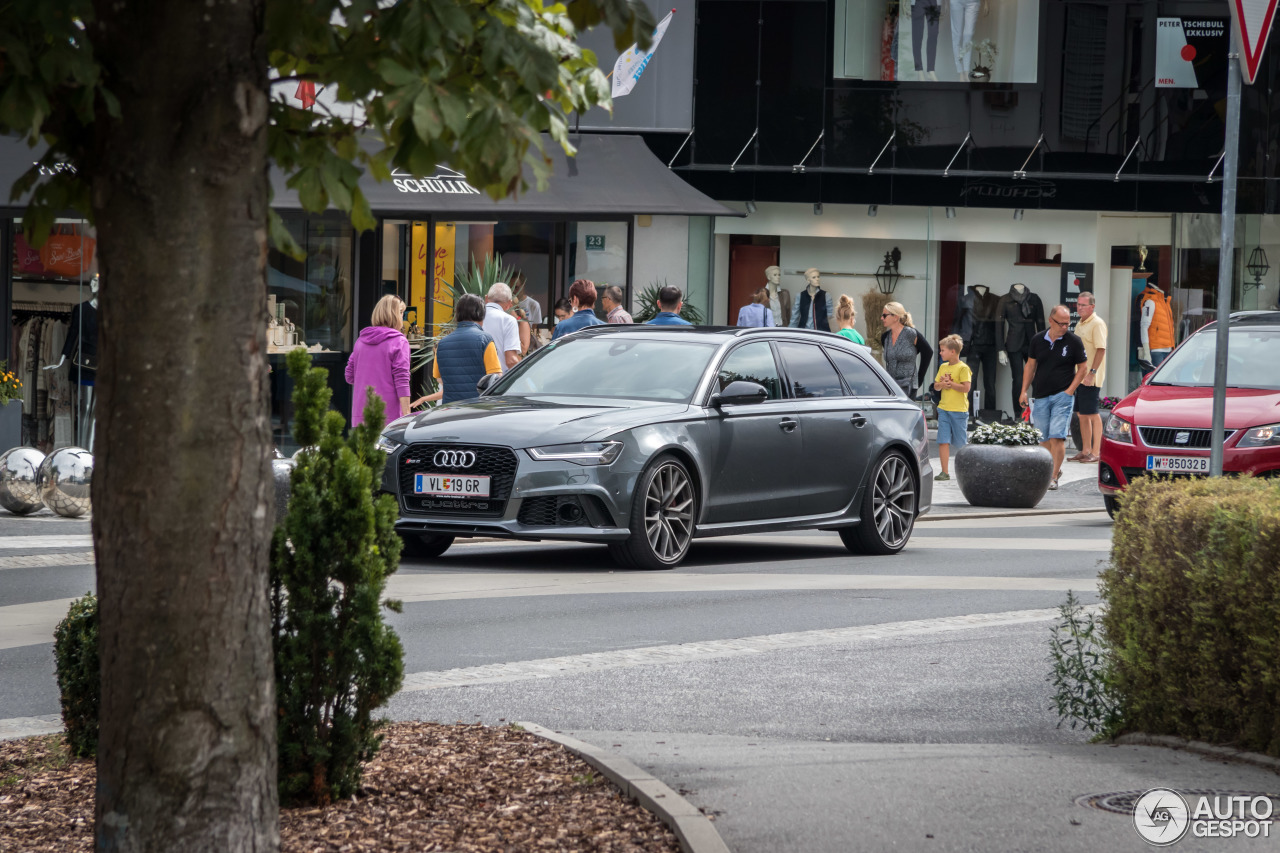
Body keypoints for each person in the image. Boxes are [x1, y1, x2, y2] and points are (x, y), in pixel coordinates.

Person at [1019, 304, 1089, 491]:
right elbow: (1030, 366)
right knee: (1043, 439)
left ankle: (1054, 475)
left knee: (1057, 437)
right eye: (1061, 323)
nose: (1065, 327)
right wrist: (1024, 390)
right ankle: (1046, 472)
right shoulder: (1037, 340)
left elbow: (1083, 367)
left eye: (1068, 323)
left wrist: (1070, 391)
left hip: (1062, 396)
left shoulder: (1073, 341)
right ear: (1051, 321)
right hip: (1041, 396)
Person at [344, 294, 411, 427]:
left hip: (361, 416)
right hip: (389, 418)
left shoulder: (360, 341)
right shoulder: (399, 341)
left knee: (363, 448)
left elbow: (349, 376)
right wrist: (407, 415)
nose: (402, 318)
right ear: (394, 314)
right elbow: (402, 382)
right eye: (401, 313)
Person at [432, 293, 503, 405]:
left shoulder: (441, 344)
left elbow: (439, 378)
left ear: (457, 315)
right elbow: (495, 377)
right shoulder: (485, 340)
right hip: (477, 409)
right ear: (481, 314)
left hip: (449, 409)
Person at [1070, 292, 1108, 464]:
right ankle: (1085, 450)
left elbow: (1101, 349)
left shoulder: (1097, 323)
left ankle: (1096, 451)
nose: (1079, 307)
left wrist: (1092, 373)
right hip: (1080, 375)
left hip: (1091, 376)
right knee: (1081, 413)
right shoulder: (1080, 323)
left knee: (1092, 413)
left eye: (1083, 305)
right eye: (1078, 304)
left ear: (1092, 306)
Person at [932, 334, 972, 482]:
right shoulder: (943, 367)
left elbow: (966, 388)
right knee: (943, 441)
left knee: (961, 444)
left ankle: (965, 470)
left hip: (959, 411)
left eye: (943, 350)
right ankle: (944, 472)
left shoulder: (963, 368)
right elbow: (936, 386)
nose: (941, 353)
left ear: (952, 352)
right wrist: (942, 384)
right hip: (944, 409)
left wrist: (951, 384)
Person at [879, 301, 933, 397]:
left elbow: (928, 352)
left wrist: (919, 379)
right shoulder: (885, 337)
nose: (881, 318)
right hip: (891, 387)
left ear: (895, 317)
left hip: (908, 387)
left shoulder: (910, 334)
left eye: (884, 315)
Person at [482, 282, 521, 371]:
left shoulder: (474, 316)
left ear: (486, 298)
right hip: (498, 380)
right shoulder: (509, 321)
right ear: (509, 303)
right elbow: (511, 360)